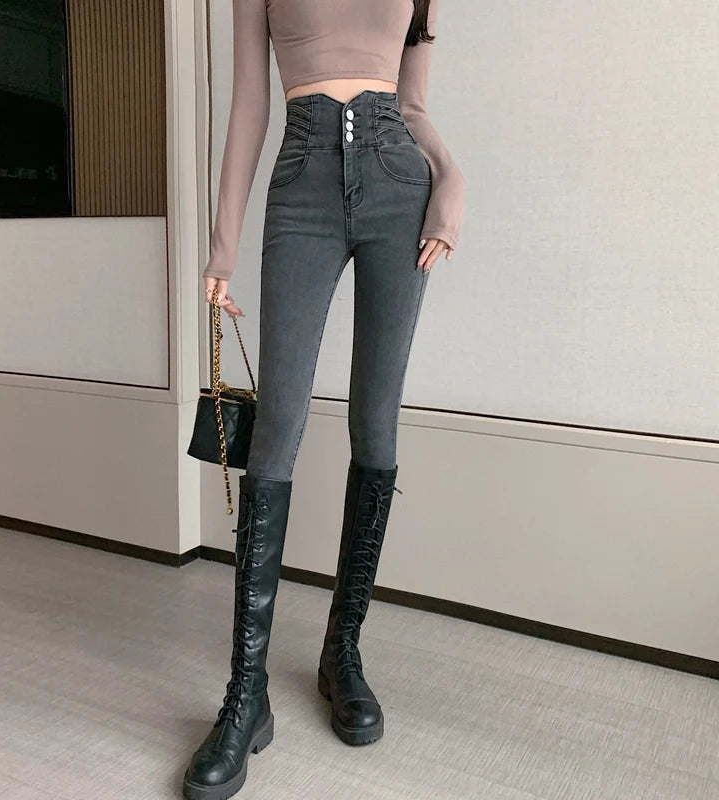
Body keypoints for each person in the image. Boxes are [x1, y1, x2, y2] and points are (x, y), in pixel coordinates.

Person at [183, 1, 465, 797]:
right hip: (302, 178)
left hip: (398, 181)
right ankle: (247, 694)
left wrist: (452, 178)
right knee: (277, 430)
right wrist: (222, 246)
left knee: (377, 423)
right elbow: (249, 101)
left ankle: (342, 654)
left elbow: (413, 105)